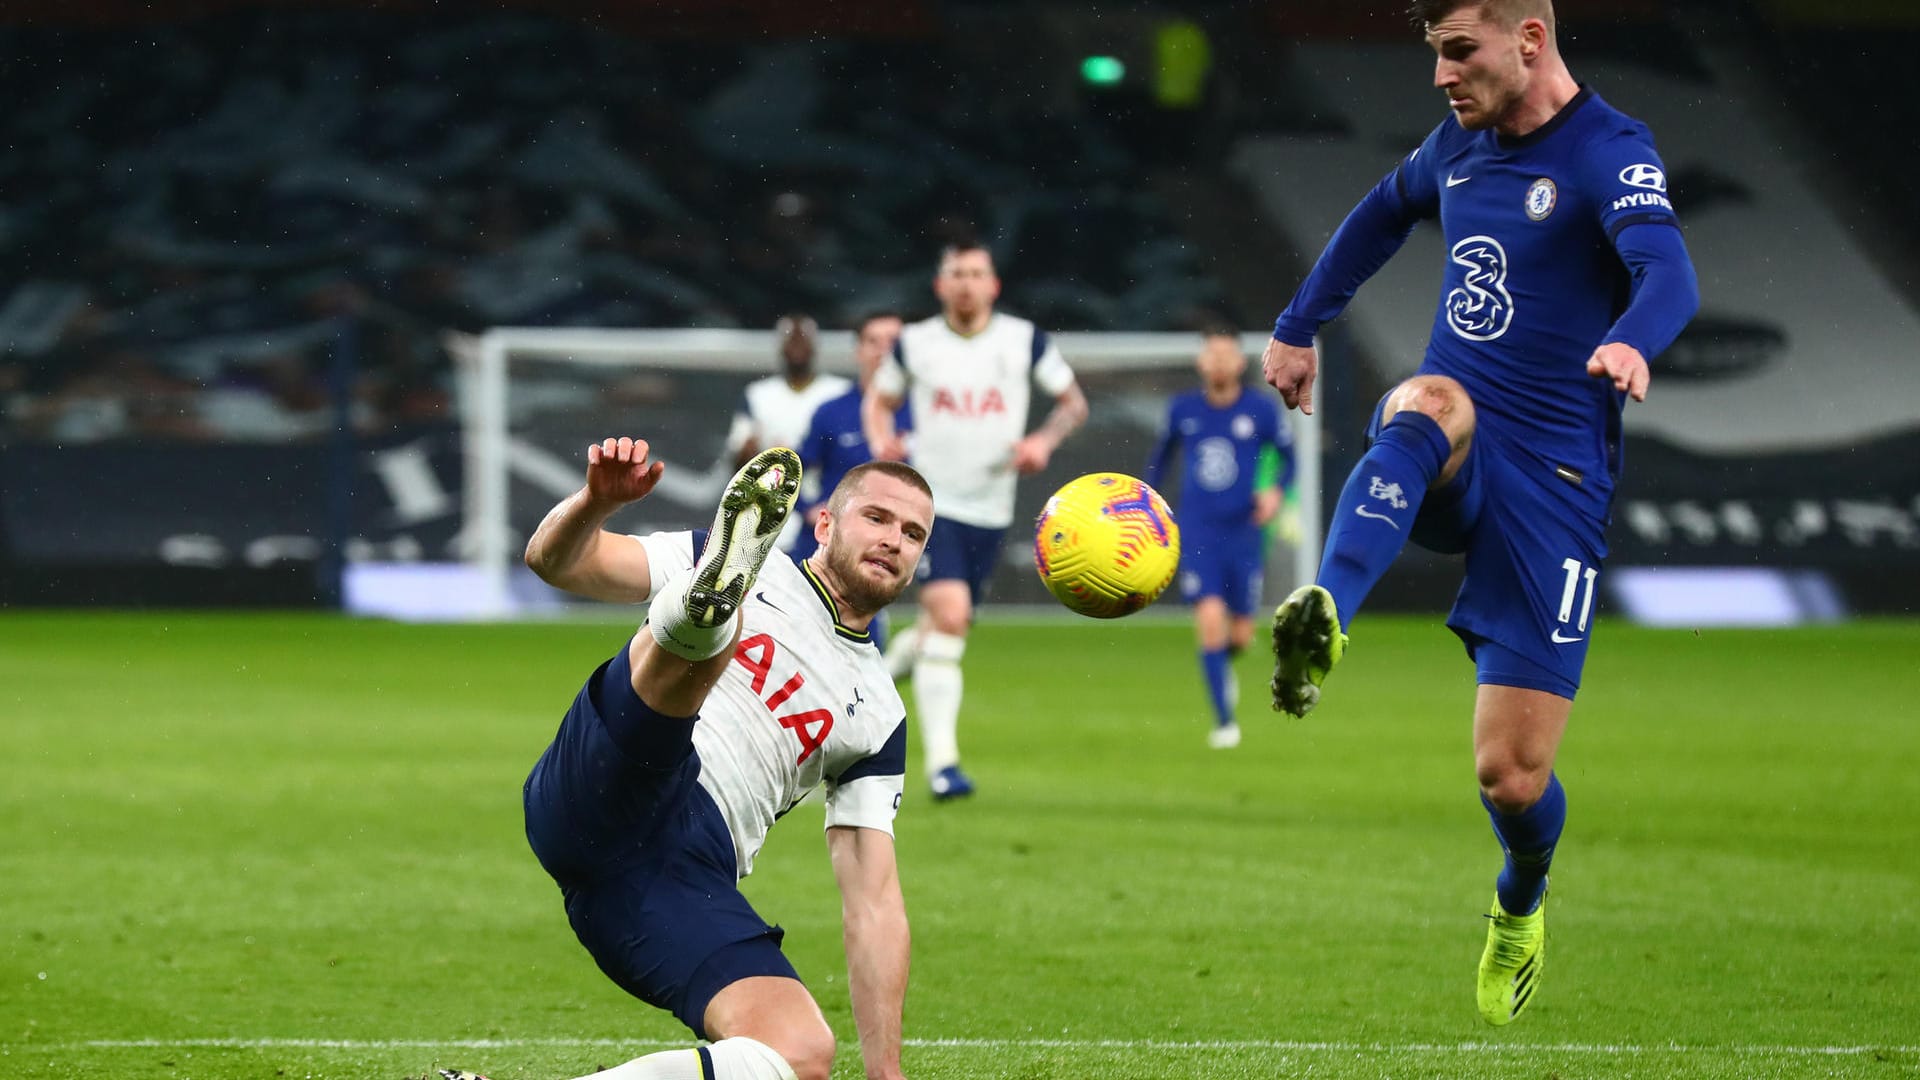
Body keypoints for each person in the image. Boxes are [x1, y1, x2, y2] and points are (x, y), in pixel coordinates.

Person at [1261, 0, 1698, 1027]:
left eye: (1461, 53)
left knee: (1511, 775)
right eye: (1436, 55)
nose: (1441, 77)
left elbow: (1668, 269)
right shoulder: (1456, 144)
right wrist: (1297, 325)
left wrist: (1635, 337)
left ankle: (1520, 902)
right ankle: (1327, 608)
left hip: (1555, 485)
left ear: (1530, 40)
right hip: (1459, 444)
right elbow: (1379, 211)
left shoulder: (1608, 150)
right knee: (1426, 401)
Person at [439, 442, 932, 1080]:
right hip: (611, 775)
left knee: (801, 1051)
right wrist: (596, 504)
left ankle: (705, 616)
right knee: (697, 653)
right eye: (878, 518)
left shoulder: (882, 715)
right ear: (826, 524)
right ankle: (705, 611)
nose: (895, 539)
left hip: (672, 876)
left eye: (913, 533)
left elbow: (875, 901)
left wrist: (885, 1071)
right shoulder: (720, 552)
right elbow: (555, 562)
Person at [863, 241, 1089, 801]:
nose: (966, 283)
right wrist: (880, 446)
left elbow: (1073, 404)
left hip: (992, 508)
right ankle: (944, 766)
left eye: (976, 273)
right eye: (956, 274)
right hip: (929, 506)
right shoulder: (916, 343)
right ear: (941, 287)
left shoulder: (1023, 340)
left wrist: (1044, 439)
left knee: (943, 633)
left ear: (994, 285)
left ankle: (865, 690)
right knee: (952, 617)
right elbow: (878, 402)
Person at [1145, 328, 1294, 751]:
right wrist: (1146, 504)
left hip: (1244, 532)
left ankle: (1221, 665)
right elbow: (1159, 461)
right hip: (1197, 531)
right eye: (1211, 354)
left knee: (1241, 635)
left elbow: (1289, 459)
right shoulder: (1183, 409)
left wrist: (1275, 490)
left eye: (1227, 354)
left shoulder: (1260, 411)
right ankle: (1225, 722)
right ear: (1201, 362)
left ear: (1238, 362)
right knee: (1210, 622)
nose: (1219, 361)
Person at [724, 314, 852, 551]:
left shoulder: (838, 392)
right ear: (780, 347)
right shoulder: (758, 394)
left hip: (823, 503)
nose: (797, 347)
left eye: (803, 340)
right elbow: (738, 459)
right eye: (790, 341)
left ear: (815, 346)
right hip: (771, 507)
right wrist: (750, 451)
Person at [791, 311, 906, 565]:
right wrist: (807, 508)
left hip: (895, 547)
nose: (884, 351)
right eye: (873, 341)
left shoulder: (926, 412)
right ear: (858, 350)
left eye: (893, 342)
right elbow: (791, 470)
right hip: (830, 547)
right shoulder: (832, 411)